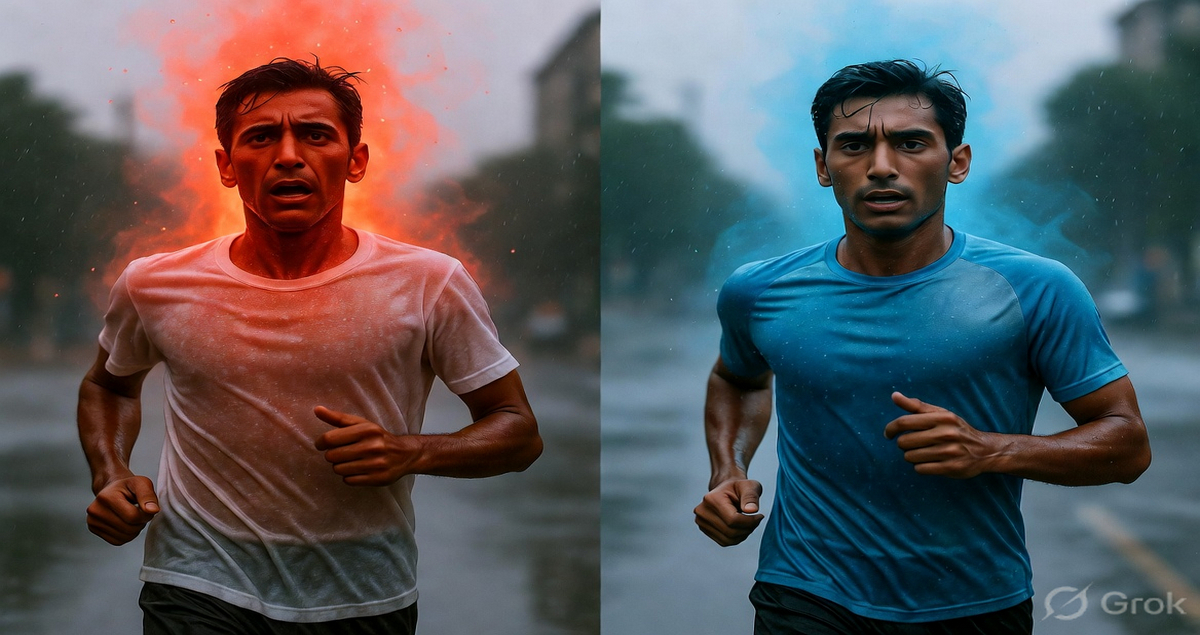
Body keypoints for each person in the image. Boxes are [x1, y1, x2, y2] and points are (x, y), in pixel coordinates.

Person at [78, 57, 542, 634]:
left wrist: (411, 451)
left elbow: (518, 430)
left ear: (356, 161)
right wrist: (110, 473)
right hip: (195, 585)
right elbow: (108, 385)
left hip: (363, 595)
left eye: (316, 135)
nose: (289, 155)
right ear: (227, 166)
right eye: (262, 137)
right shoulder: (155, 282)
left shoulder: (430, 281)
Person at [693, 59, 1151, 634]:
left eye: (911, 143)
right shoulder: (759, 290)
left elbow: (1128, 444)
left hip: (974, 604)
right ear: (823, 166)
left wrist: (991, 450)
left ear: (956, 162)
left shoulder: (1037, 288)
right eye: (854, 146)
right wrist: (726, 471)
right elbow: (738, 378)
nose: (881, 167)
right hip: (805, 594)